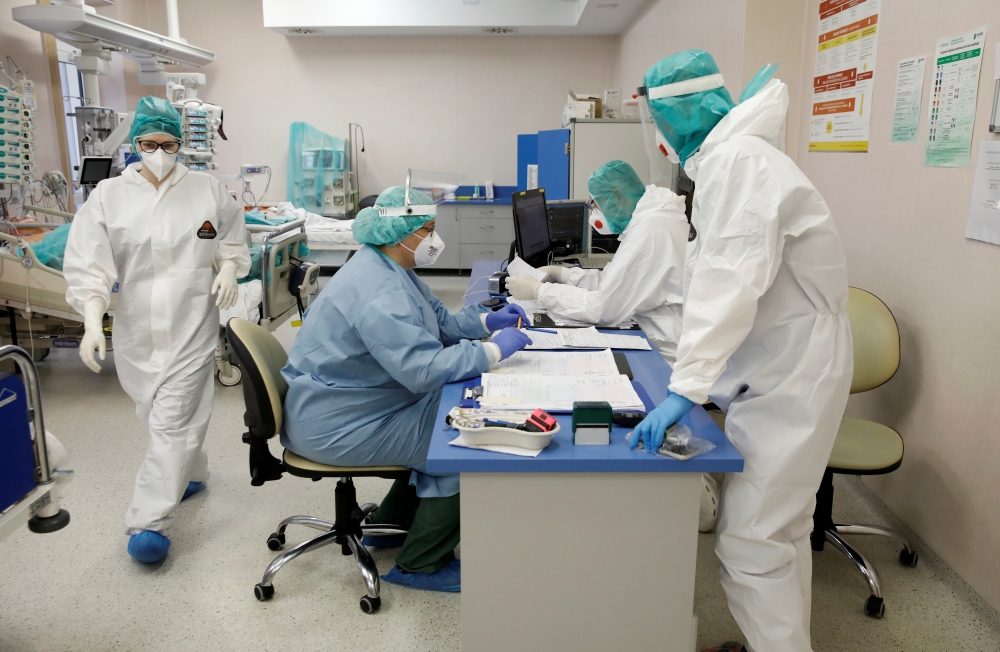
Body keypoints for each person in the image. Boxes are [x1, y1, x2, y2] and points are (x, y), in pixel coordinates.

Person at [631, 50, 853, 652]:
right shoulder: (736, 160)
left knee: (752, 543)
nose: (659, 134)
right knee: (778, 532)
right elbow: (721, 279)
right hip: (787, 363)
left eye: (658, 115)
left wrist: (685, 390)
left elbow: (728, 282)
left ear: (685, 113)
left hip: (794, 371)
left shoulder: (739, 163)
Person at [280, 186, 531, 593]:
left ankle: (386, 527)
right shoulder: (379, 291)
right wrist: (490, 353)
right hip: (338, 423)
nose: (435, 239)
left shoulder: (389, 267)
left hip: (353, 402)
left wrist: (487, 324)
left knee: (447, 414)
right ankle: (421, 564)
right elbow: (421, 369)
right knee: (465, 438)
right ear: (401, 232)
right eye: (428, 229)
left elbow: (439, 323)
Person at [64, 96, 250, 564]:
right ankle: (191, 472)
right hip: (136, 330)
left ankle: (148, 523)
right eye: (150, 143)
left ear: (181, 143)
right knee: (155, 414)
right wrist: (91, 321)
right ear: (135, 144)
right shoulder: (108, 196)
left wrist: (228, 268)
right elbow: (88, 265)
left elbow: (233, 236)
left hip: (191, 323)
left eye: (169, 143)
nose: (160, 152)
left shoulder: (207, 189)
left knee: (170, 419)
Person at [506, 160, 687, 364]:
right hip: (661, 334)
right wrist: (563, 274)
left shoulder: (651, 230)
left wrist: (540, 291)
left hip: (669, 353)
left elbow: (601, 308)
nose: (594, 212)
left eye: (595, 203)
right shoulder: (651, 221)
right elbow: (613, 281)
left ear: (617, 195)